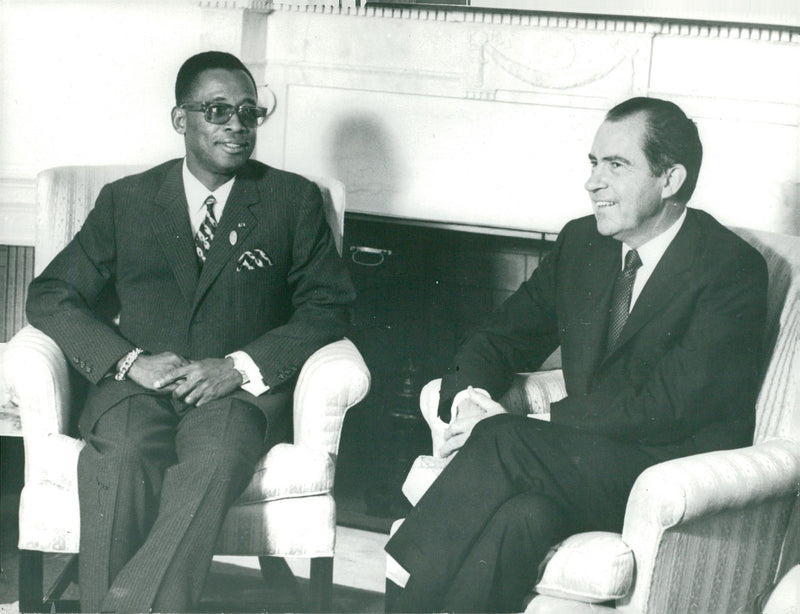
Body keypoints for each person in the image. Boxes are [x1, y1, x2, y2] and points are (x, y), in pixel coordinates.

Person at [384, 97, 769, 613]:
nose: (593, 182)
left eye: (616, 164)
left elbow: (669, 403)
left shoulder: (727, 267)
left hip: (670, 477)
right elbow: (502, 334)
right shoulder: (583, 243)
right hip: (580, 463)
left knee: (504, 440)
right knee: (523, 518)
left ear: (670, 179)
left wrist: (530, 422)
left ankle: (400, 598)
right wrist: (469, 395)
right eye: (593, 163)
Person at [26, 51, 355, 613]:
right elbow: (50, 295)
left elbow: (329, 307)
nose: (236, 125)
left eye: (249, 113)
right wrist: (130, 360)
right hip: (136, 387)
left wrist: (239, 367)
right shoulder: (126, 201)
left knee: (217, 459)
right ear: (182, 120)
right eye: (218, 110)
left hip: (232, 393)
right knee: (122, 457)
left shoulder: (291, 201)